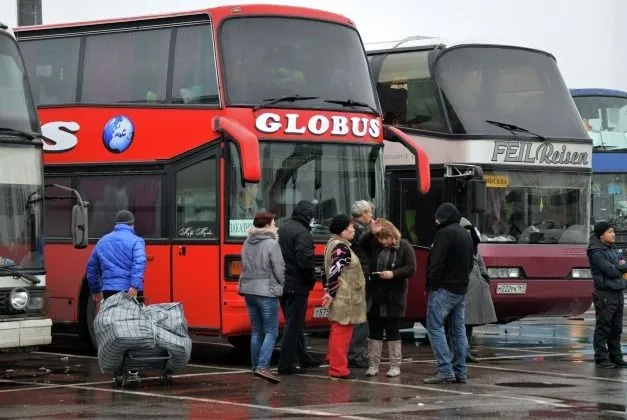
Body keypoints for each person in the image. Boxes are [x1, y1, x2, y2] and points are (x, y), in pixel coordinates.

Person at [424, 203, 474, 384]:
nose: (436, 221)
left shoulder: (444, 234)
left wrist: (431, 284)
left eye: (438, 217)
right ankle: (460, 371)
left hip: (443, 289)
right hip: (461, 288)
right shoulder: (465, 234)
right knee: (459, 329)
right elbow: (470, 263)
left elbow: (436, 263)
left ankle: (445, 370)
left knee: (435, 327)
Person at [360, 218, 416, 377]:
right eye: (380, 238)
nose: (382, 241)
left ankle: (395, 365)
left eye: (385, 238)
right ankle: (373, 365)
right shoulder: (374, 245)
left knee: (393, 331)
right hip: (375, 296)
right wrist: (371, 232)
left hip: (394, 297)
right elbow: (362, 244)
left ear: (393, 235)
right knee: (374, 331)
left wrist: (393, 274)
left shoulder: (404, 246)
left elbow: (411, 269)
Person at [238, 211, 285, 384]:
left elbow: (243, 265)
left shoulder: (246, 242)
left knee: (256, 331)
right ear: (266, 225)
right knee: (271, 331)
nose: (275, 226)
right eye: (273, 222)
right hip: (267, 290)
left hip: (249, 290)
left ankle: (255, 366)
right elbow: (279, 268)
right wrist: (281, 285)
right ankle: (263, 366)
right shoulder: (272, 244)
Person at [277, 200, 321, 374]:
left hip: (283, 283)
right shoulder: (303, 233)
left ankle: (304, 358)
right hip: (297, 284)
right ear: (308, 215)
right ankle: (286, 365)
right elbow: (304, 261)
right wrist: (311, 278)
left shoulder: (283, 228)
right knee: (293, 326)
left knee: (293, 323)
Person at [322, 214, 367, 380]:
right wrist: (332, 292)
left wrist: (327, 290)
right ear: (342, 230)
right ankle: (338, 369)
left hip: (341, 297)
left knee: (338, 332)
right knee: (342, 333)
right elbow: (334, 271)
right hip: (345, 298)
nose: (353, 229)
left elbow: (324, 270)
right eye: (351, 227)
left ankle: (336, 364)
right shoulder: (341, 247)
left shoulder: (331, 244)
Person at [587, 221, 627, 368]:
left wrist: (620, 268)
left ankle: (616, 356)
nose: (613, 234)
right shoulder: (596, 251)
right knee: (604, 326)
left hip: (617, 290)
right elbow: (609, 271)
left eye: (613, 231)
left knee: (616, 327)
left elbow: (622, 265)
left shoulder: (614, 248)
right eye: (610, 232)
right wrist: (620, 269)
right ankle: (601, 358)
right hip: (605, 292)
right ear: (601, 235)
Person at [458, 217, 497, 362]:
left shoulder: (474, 248)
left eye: (469, 233)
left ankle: (465, 352)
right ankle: (459, 352)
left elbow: (481, 264)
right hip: (462, 289)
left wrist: (484, 277)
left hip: (475, 290)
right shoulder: (456, 246)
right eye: (465, 232)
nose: (468, 235)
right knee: (460, 323)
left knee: (469, 324)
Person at [86, 209, 146, 302]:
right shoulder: (136, 241)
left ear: (116, 224)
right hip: (130, 291)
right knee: (132, 316)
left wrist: (96, 290)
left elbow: (91, 268)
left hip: (109, 291)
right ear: (132, 224)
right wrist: (134, 286)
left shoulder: (102, 241)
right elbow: (139, 262)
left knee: (111, 316)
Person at [347, 200, 373, 369]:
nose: (371, 215)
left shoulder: (350, 229)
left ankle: (355, 353)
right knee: (362, 317)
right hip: (363, 277)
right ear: (363, 213)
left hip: (356, 276)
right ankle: (358, 354)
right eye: (370, 212)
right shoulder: (362, 230)